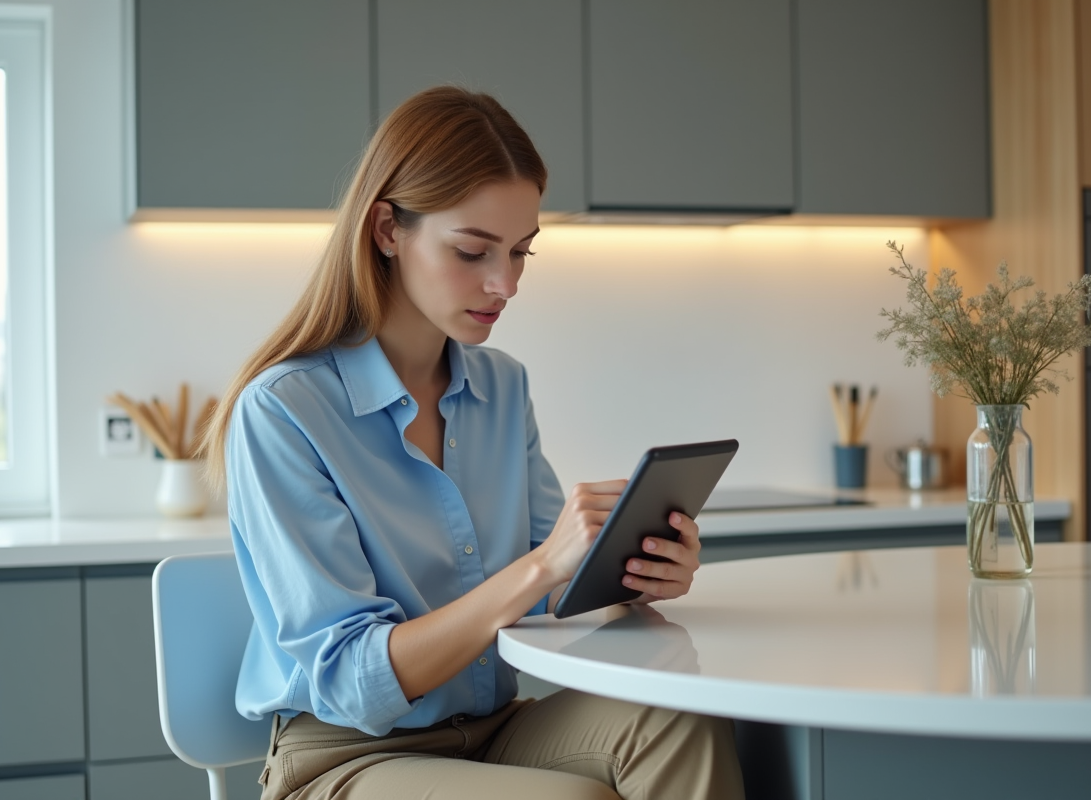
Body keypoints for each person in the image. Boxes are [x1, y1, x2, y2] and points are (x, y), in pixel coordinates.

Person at [200, 86, 745, 800]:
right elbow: (352, 681)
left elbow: (560, 591)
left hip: (489, 730)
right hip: (344, 759)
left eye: (521, 252)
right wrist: (543, 567)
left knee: (683, 720)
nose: (504, 283)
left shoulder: (502, 388)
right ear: (388, 230)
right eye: (472, 250)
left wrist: (629, 576)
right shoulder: (285, 410)